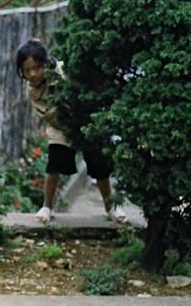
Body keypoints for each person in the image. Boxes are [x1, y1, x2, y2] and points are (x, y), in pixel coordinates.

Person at [16, 39, 127, 224]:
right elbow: (49, 115)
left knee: (100, 165)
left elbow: (83, 85)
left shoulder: (64, 69)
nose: (33, 74)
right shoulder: (32, 91)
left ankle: (111, 207)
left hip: (86, 120)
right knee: (54, 163)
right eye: (27, 70)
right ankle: (47, 206)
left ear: (46, 63)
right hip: (61, 127)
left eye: (37, 67)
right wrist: (68, 116)